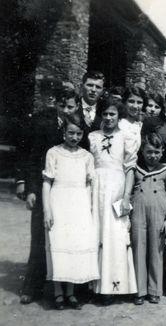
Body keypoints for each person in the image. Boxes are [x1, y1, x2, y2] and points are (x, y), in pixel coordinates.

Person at [42, 113, 99, 310]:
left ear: (83, 134)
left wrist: (91, 209)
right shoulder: (53, 153)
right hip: (59, 202)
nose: (74, 137)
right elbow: (47, 182)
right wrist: (47, 210)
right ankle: (58, 293)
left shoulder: (87, 156)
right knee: (59, 243)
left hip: (79, 205)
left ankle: (71, 293)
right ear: (63, 132)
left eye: (78, 133)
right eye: (70, 133)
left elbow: (91, 185)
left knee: (75, 245)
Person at [88, 99, 138, 304]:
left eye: (113, 114)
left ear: (119, 116)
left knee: (115, 235)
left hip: (116, 188)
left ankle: (115, 286)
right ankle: (94, 286)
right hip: (95, 188)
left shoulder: (126, 137)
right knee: (96, 233)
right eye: (105, 114)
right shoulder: (92, 137)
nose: (108, 118)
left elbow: (130, 169)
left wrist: (126, 197)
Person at [19, 78, 64, 304]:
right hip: (43, 187)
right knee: (39, 237)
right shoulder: (40, 122)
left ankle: (64, 289)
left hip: (68, 191)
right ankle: (31, 287)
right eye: (62, 104)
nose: (66, 109)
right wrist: (29, 188)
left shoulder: (78, 126)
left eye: (70, 105)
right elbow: (30, 156)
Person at [130, 132, 166, 305]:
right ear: (142, 151)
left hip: (159, 215)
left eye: (157, 152)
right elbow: (128, 194)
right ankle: (139, 291)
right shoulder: (135, 169)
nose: (153, 156)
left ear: (162, 152)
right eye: (149, 152)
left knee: (156, 252)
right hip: (138, 214)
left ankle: (154, 290)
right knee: (138, 250)